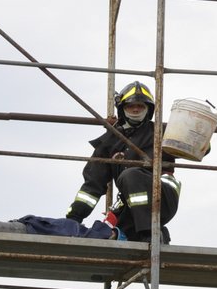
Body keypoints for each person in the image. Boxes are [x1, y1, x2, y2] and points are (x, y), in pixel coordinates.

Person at [65, 79, 185, 243]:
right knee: (111, 234)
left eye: (141, 106)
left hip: (163, 196)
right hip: (132, 206)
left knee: (131, 175)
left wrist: (196, 131)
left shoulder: (161, 132)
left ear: (148, 109)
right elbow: (92, 185)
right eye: (130, 106)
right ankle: (155, 235)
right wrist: (73, 218)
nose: (136, 109)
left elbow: (200, 150)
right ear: (122, 108)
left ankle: (149, 235)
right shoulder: (110, 142)